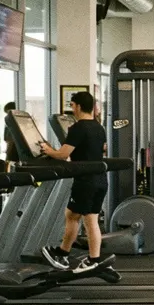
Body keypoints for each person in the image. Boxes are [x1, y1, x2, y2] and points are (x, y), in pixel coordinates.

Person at [40, 90, 109, 275]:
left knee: (79, 218)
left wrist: (47, 150)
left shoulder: (78, 128)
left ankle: (71, 255)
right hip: (100, 179)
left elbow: (63, 154)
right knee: (80, 216)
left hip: (85, 180)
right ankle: (86, 257)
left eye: (72, 105)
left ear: (78, 106)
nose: (72, 109)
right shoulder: (99, 127)